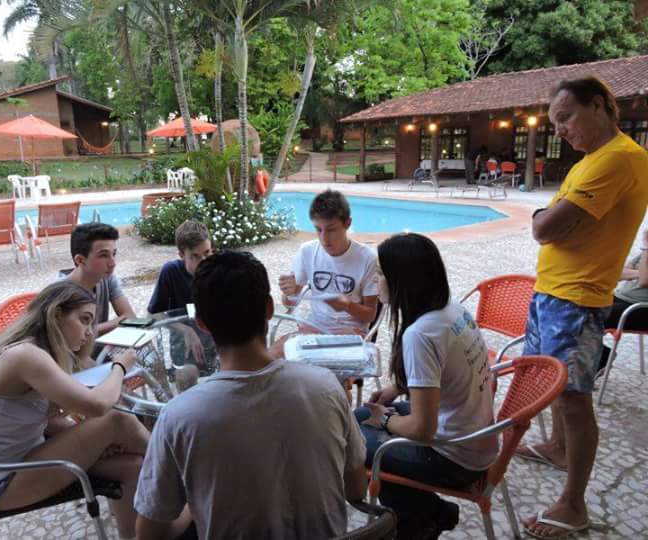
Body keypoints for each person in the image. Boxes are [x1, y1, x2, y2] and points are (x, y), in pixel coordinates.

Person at [134, 251, 367, 540]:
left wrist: (194, 508)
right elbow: (357, 489)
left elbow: (149, 534)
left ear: (202, 324)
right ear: (269, 308)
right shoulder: (327, 387)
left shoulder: (180, 416)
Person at [519, 77, 648, 540]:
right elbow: (548, 223)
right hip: (554, 291)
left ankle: (574, 505)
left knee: (574, 399)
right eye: (555, 123)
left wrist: (548, 222)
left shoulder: (619, 159)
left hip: (578, 296)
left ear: (600, 105)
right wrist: (548, 222)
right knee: (553, 386)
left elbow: (544, 226)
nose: (561, 131)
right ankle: (556, 448)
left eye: (566, 118)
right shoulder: (590, 161)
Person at [0, 281, 150, 540]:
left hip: (19, 462)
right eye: (84, 320)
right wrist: (120, 365)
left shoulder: (37, 352)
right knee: (117, 420)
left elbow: (45, 423)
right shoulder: (25, 355)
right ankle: (183, 468)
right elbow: (97, 406)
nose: (89, 332)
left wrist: (98, 443)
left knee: (133, 465)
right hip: (1, 484)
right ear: (56, 314)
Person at [356, 233, 497, 540]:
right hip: (475, 436)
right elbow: (441, 377)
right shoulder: (451, 309)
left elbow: (422, 429)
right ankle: (433, 512)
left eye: (381, 273)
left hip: (453, 458)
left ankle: (418, 524)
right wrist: (395, 389)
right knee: (354, 418)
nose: (375, 279)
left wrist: (388, 420)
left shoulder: (420, 334)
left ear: (402, 281)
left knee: (350, 440)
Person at [278, 189, 378, 335]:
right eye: (318, 230)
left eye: (331, 230)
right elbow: (289, 303)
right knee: (274, 355)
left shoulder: (367, 257)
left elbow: (370, 315)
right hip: (314, 326)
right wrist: (289, 293)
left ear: (348, 223)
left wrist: (348, 306)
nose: (324, 239)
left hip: (351, 330)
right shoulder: (307, 251)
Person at [146, 220, 217, 374]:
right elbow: (154, 313)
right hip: (182, 348)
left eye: (207, 253)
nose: (204, 262)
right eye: (195, 256)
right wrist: (186, 330)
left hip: (215, 345)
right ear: (181, 255)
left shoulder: (216, 269)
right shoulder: (171, 271)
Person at [63, 222, 136, 337]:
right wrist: (118, 322)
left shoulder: (107, 278)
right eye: (103, 255)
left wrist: (89, 330)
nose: (113, 263)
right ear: (80, 260)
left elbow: (130, 317)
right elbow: (67, 338)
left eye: (114, 254)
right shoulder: (60, 294)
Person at [596, 228, 648, 374]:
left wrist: (646, 245)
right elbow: (617, 274)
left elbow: (644, 281)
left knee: (595, 316)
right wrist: (640, 272)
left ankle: (599, 358)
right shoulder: (644, 254)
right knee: (583, 306)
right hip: (622, 298)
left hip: (641, 308)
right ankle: (599, 354)